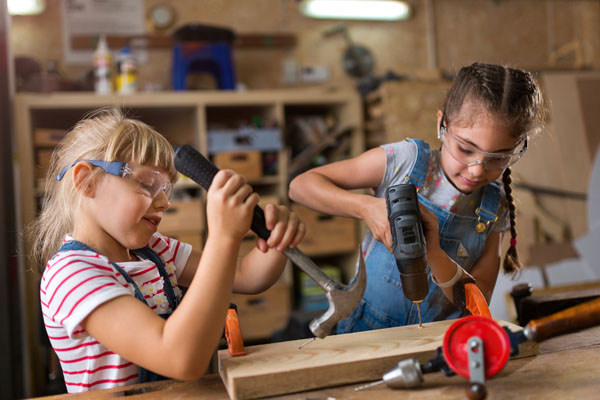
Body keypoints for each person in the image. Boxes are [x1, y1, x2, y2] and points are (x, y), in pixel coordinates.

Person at [33, 108, 305, 392]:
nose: (164, 202)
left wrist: (277, 240)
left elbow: (247, 276)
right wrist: (223, 236)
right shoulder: (71, 275)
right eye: (148, 184)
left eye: (167, 189)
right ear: (87, 182)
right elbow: (178, 359)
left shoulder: (156, 250)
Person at [289, 62, 545, 333]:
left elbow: (477, 301)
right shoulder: (404, 161)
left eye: (499, 157)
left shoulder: (495, 206)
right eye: (466, 149)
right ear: (442, 125)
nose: (478, 169)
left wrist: (434, 253)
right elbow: (301, 186)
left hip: (438, 342)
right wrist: (367, 208)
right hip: (364, 333)